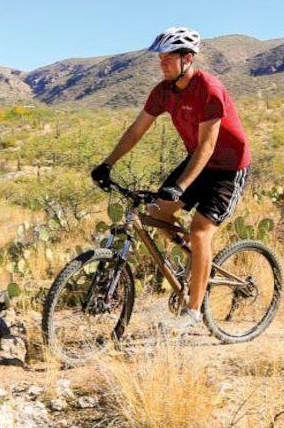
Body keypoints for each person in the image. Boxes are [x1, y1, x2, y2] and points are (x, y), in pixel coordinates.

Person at [89, 26, 252, 333]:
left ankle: (193, 312)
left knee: (201, 230)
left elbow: (208, 145)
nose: (161, 63)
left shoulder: (210, 89)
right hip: (197, 162)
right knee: (157, 212)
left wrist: (181, 185)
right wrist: (107, 164)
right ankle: (190, 257)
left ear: (187, 59)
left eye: (167, 58)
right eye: (160, 58)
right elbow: (136, 130)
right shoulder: (163, 91)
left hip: (228, 167)